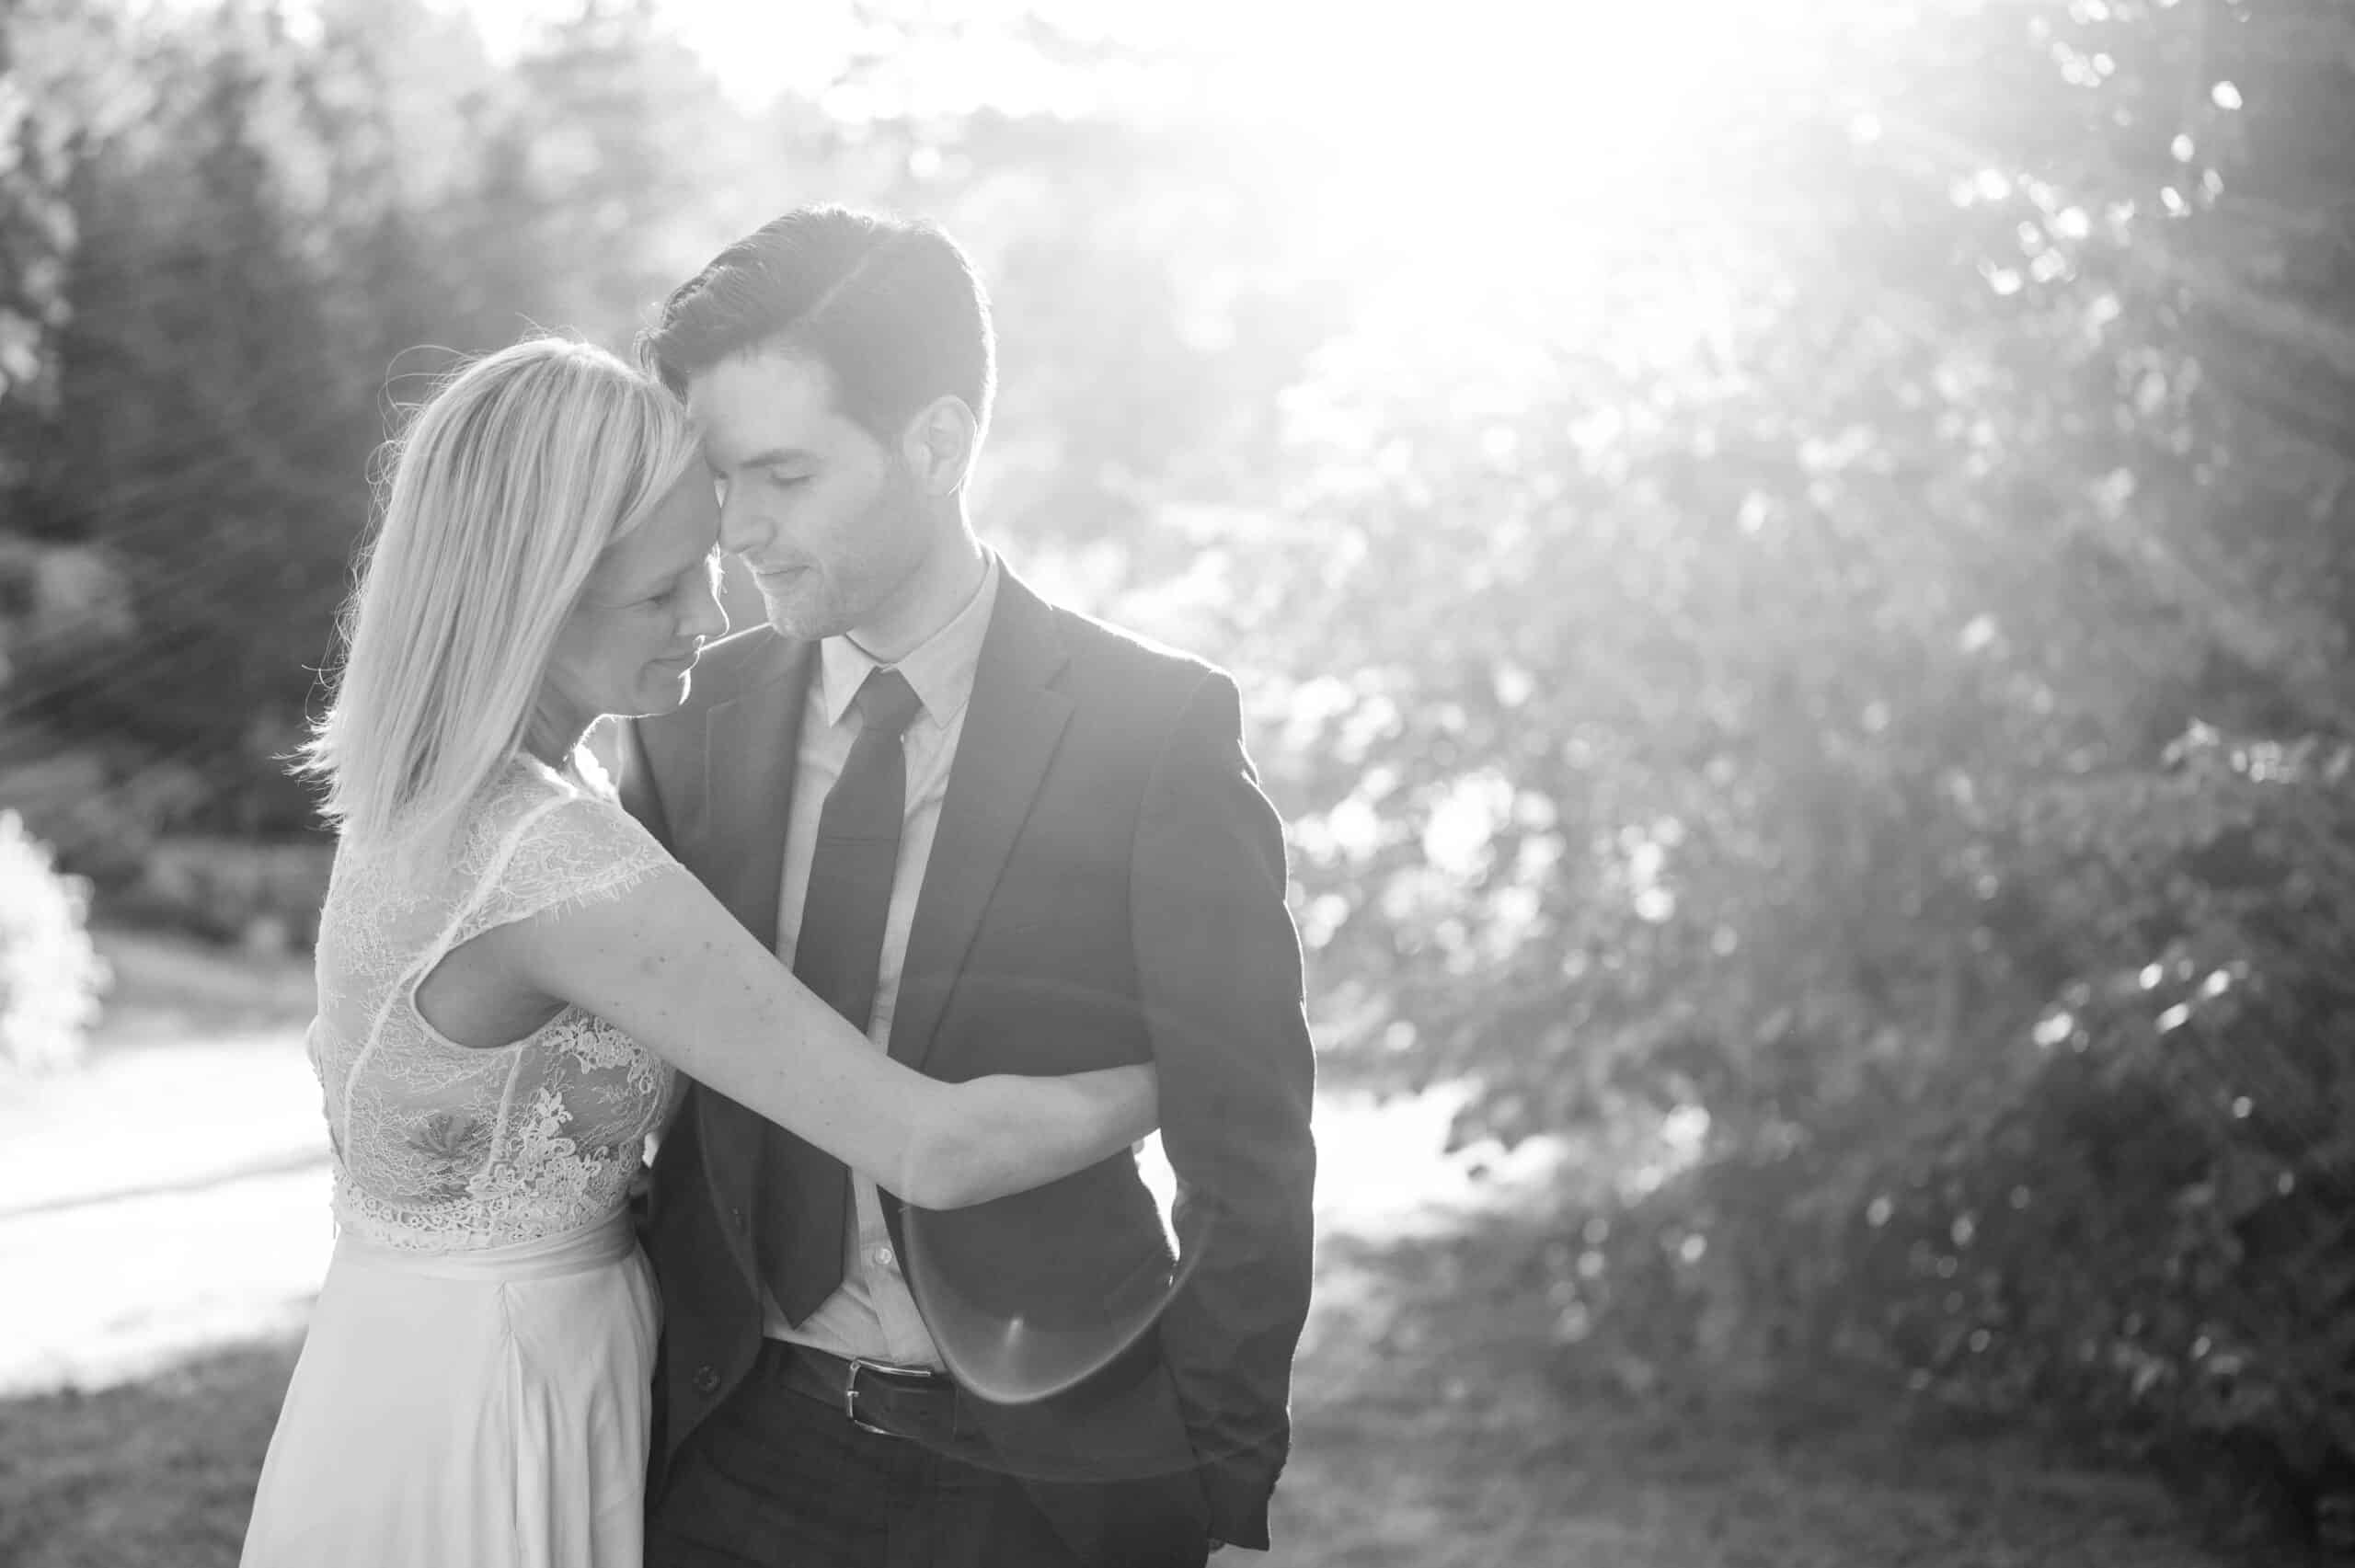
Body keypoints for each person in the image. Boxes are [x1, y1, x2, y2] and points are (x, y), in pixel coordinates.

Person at [237, 337, 1161, 1568]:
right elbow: (930, 1145)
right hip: (508, 1390)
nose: (711, 613)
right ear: (537, 592)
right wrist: (1189, 1063)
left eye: (709, 565)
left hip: (400, 1353)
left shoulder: (433, 786)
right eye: (663, 589)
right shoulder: (552, 861)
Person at [624, 206, 1317, 1568]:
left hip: (1041, 1483)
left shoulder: (1153, 732)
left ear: (937, 445)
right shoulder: (680, 717)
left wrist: (1217, 1489)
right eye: (723, 478)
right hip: (730, 1451)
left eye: (784, 474)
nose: (739, 529)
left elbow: (1247, 1146)